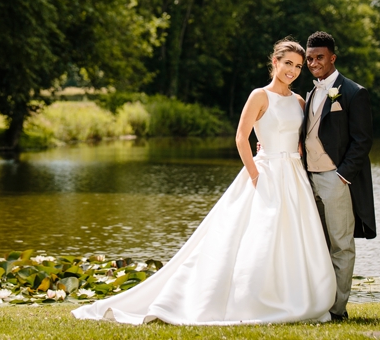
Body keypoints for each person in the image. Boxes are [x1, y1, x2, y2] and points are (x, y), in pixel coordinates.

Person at [71, 39, 336, 325]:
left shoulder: (298, 101)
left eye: (298, 66)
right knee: (260, 236)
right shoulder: (259, 96)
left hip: (294, 177)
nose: (293, 71)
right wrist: (256, 176)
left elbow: (303, 138)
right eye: (288, 64)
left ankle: (297, 296)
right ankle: (253, 300)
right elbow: (241, 137)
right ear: (275, 62)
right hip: (266, 173)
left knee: (295, 237)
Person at [302, 30, 376, 322]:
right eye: (309, 58)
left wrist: (342, 176)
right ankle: (319, 304)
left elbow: (363, 141)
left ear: (332, 57)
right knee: (316, 244)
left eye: (319, 57)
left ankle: (337, 310)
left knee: (341, 245)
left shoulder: (354, 93)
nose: (313, 63)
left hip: (336, 180)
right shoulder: (310, 93)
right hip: (308, 180)